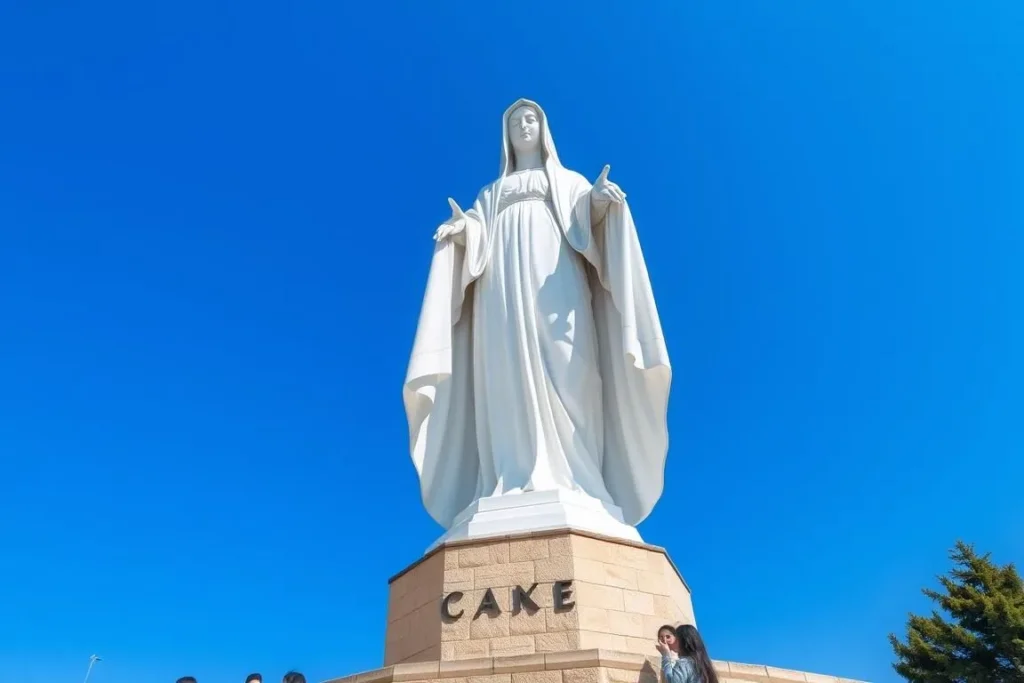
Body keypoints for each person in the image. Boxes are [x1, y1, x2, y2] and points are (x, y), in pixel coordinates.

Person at [406, 98, 671, 532]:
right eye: (515, 122)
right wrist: (462, 233)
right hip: (500, 294)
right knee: (506, 373)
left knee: (572, 370)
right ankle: (509, 475)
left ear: (543, 129)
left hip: (558, 284)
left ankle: (580, 480)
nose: (524, 126)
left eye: (531, 119)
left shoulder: (568, 182)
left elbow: (587, 220)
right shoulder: (489, 195)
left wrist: (600, 202)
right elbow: (478, 231)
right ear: (506, 136)